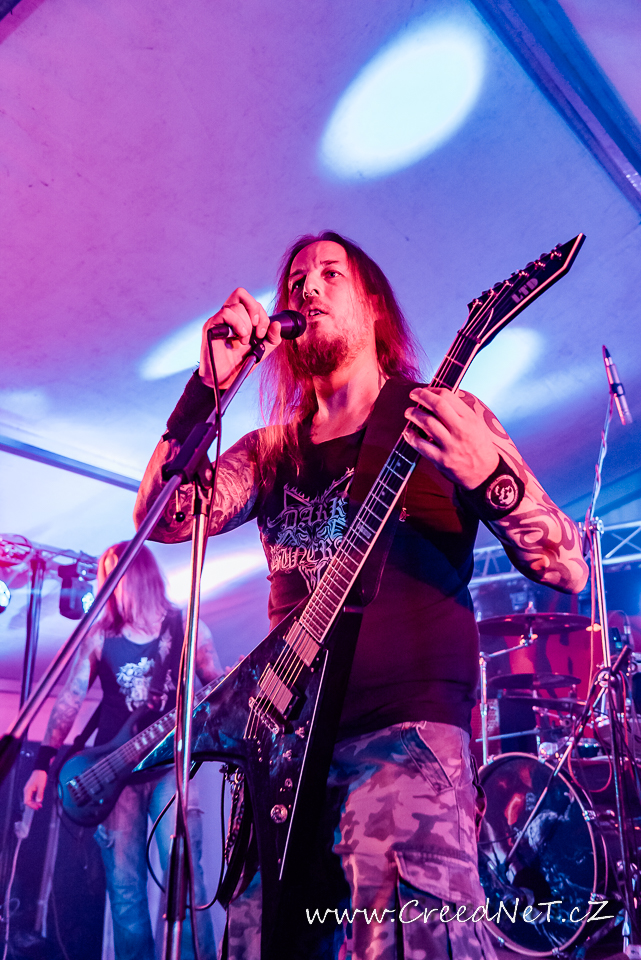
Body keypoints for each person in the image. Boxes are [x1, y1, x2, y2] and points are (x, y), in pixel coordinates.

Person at [134, 232, 589, 959]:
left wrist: (489, 476)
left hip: (403, 741)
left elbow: (568, 568)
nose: (307, 288)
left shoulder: (446, 417)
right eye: (295, 280)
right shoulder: (270, 452)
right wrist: (204, 390)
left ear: (374, 306)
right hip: (282, 758)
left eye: (329, 274)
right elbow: (161, 519)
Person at [24, 541, 220, 960]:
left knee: (186, 878)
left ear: (141, 574)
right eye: (105, 576)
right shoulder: (101, 635)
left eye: (117, 574)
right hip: (113, 774)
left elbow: (217, 690)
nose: (109, 585)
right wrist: (42, 763)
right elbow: (70, 699)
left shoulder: (187, 626)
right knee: (125, 888)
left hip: (170, 767)